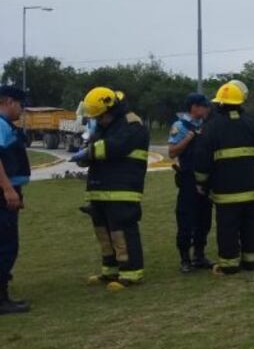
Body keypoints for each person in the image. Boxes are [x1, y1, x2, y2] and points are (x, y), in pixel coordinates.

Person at [195, 81, 254, 275]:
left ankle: (229, 265)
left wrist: (201, 182)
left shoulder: (211, 127)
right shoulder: (251, 124)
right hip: (250, 191)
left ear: (219, 103)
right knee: (251, 225)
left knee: (227, 228)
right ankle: (251, 262)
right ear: (240, 102)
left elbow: (201, 160)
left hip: (225, 192)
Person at [70, 87, 150, 290]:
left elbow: (115, 146)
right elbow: (95, 146)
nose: (98, 120)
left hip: (122, 188)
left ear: (110, 110)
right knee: (104, 233)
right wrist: (85, 154)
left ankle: (131, 274)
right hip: (100, 187)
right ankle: (110, 271)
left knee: (121, 232)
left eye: (99, 116)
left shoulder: (132, 124)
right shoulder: (105, 125)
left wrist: (88, 152)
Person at [168, 93, 214, 272]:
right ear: (194, 107)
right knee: (186, 218)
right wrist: (188, 138)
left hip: (206, 178)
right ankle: (185, 259)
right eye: (203, 106)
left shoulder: (206, 124)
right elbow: (172, 152)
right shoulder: (180, 126)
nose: (207, 109)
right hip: (188, 178)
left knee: (204, 218)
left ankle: (199, 255)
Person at [0, 86, 30, 314]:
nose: (22, 110)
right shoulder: (0, 124)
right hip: (3, 192)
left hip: (8, 190)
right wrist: (8, 189)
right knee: (6, 245)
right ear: (9, 101)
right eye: (21, 105)